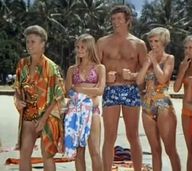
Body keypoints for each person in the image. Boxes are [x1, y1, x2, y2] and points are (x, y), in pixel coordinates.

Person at [96, 5, 147, 171]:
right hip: (110, 90)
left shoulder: (138, 44)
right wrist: (104, 77)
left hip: (130, 90)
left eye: (119, 19)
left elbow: (146, 72)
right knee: (109, 136)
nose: (115, 22)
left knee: (133, 135)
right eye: (113, 19)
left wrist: (132, 76)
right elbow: (93, 69)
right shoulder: (102, 42)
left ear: (128, 20)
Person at [13, 25, 65, 171]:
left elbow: (58, 95)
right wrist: (17, 100)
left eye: (33, 41)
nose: (29, 45)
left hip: (48, 116)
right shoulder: (22, 64)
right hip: (28, 116)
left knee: (47, 155)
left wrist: (43, 119)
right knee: (24, 153)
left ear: (42, 43)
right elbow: (17, 88)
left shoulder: (51, 67)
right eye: (27, 41)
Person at [136, 27, 181, 171]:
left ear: (164, 42)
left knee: (170, 150)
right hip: (147, 106)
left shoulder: (169, 58)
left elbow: (162, 78)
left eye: (156, 41)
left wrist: (154, 62)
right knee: (155, 150)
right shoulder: (147, 60)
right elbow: (139, 81)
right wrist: (147, 63)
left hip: (163, 105)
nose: (153, 44)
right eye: (151, 41)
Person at [65, 33, 105, 171]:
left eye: (83, 47)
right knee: (79, 152)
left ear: (90, 48)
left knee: (95, 151)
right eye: (77, 47)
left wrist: (78, 88)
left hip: (93, 112)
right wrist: (89, 88)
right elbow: (68, 91)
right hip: (75, 113)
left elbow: (100, 90)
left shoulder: (100, 68)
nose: (79, 50)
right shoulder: (72, 70)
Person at [173, 35, 192, 171]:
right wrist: (182, 70)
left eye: (190, 48)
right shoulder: (184, 64)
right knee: (191, 152)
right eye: (185, 48)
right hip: (186, 112)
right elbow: (176, 88)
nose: (187, 51)